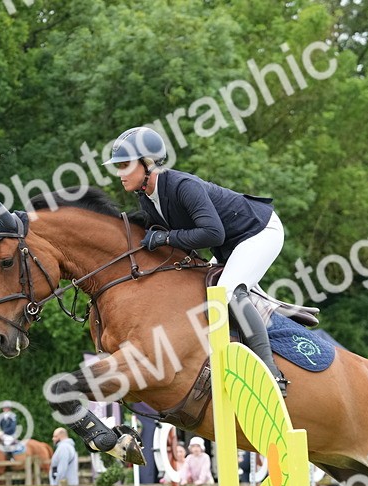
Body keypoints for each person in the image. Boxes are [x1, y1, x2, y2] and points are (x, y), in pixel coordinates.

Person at [105, 126, 289, 396]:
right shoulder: (146, 197)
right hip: (229, 243)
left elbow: (212, 232)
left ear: (147, 163)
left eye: (124, 165)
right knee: (197, 294)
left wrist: (166, 239)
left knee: (226, 291)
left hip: (258, 231)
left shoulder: (182, 186)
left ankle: (272, 373)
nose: (119, 173)